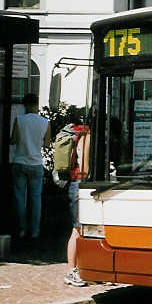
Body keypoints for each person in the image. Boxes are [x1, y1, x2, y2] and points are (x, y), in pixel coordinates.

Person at [10, 93, 51, 240]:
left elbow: (13, 140)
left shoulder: (19, 120)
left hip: (20, 161)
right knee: (36, 198)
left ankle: (21, 229)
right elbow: (47, 144)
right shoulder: (45, 122)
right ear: (37, 104)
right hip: (36, 163)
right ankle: (35, 231)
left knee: (20, 198)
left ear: (24, 105)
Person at [63, 122, 90, 286]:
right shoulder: (87, 137)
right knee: (78, 229)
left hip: (75, 184)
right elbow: (85, 167)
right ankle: (71, 271)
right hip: (81, 185)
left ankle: (81, 269)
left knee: (80, 229)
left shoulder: (81, 135)